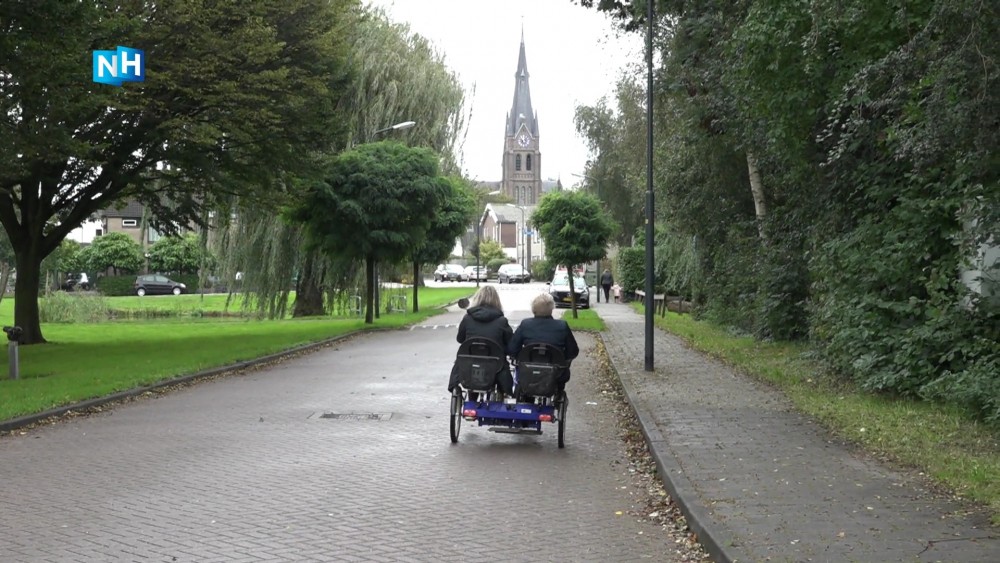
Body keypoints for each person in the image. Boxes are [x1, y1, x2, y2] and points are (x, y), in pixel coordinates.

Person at [507, 293, 580, 394]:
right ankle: (558, 394)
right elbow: (573, 351)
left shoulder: (526, 324)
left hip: (528, 371)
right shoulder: (562, 326)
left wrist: (521, 356)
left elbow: (512, 349)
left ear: (533, 309)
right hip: (555, 372)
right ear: (551, 309)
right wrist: (563, 359)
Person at [448, 285, 514, 396]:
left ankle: (471, 398)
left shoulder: (467, 318)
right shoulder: (502, 321)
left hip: (470, 363)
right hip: (495, 364)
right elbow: (510, 344)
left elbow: (460, 339)